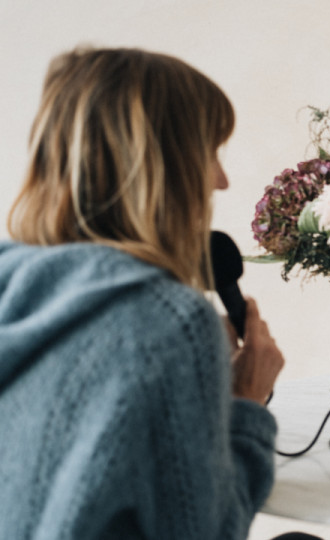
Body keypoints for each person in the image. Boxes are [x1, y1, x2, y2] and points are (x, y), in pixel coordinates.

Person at [0, 47, 314, 540]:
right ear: (163, 166)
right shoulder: (170, 324)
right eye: (210, 152)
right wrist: (247, 403)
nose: (222, 180)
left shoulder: (10, 279)